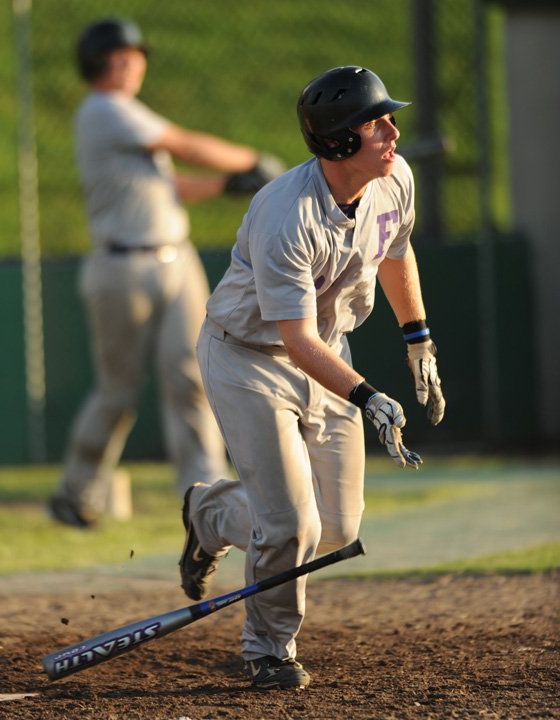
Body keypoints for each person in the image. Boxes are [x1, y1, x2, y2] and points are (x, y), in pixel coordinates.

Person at [178, 65, 446, 690]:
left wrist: (418, 338)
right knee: (292, 526)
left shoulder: (394, 178)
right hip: (248, 357)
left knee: (336, 531)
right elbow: (294, 341)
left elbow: (397, 251)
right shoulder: (284, 213)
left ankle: (212, 515)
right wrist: (369, 394)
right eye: (374, 121)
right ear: (337, 142)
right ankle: (268, 649)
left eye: (387, 116)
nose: (391, 129)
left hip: (327, 350)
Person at [49, 18, 285, 528]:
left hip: (175, 259)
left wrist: (228, 183)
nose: (135, 63)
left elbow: (168, 185)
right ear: (106, 62)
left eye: (135, 55)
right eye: (125, 55)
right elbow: (182, 143)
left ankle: (205, 499)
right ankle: (76, 490)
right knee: (118, 392)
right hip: (121, 268)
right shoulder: (104, 110)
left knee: (196, 378)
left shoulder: (125, 115)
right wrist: (258, 163)